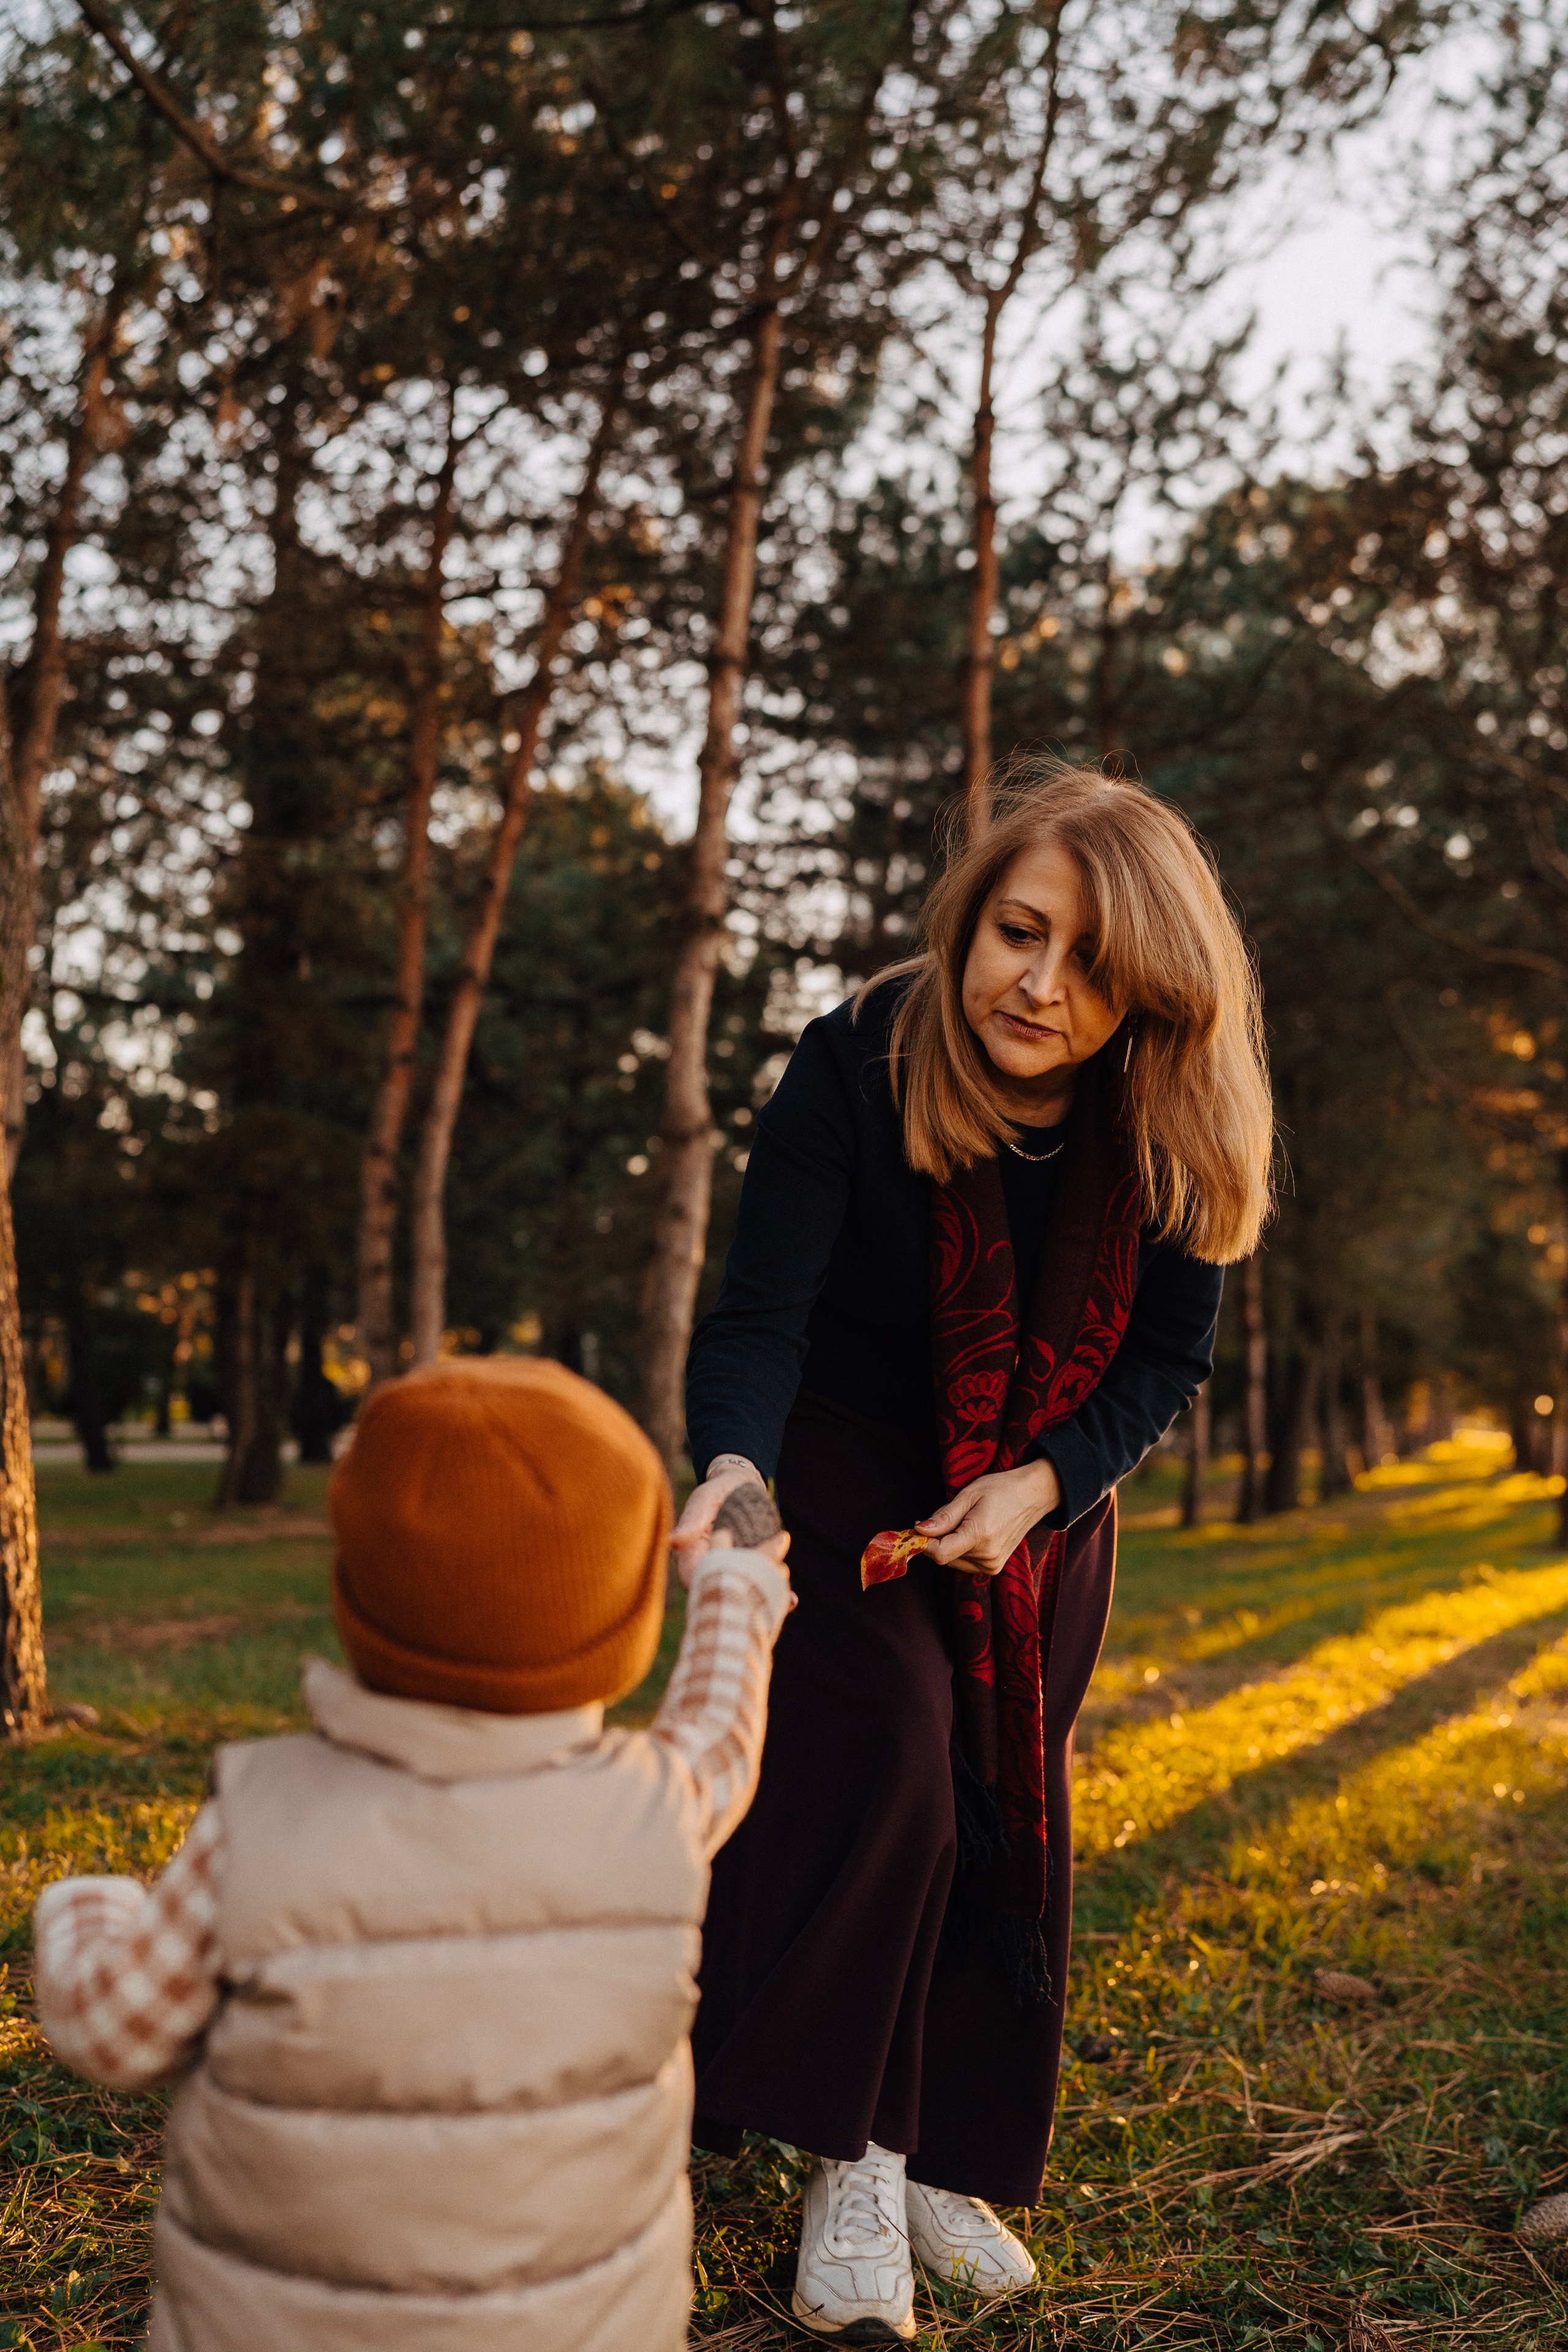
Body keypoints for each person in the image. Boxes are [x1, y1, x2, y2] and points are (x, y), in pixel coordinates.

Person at [675, 760, 1274, 2343]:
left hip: (1037, 1493)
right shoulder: (857, 1063)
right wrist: (732, 1469)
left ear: (1145, 994)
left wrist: (1042, 1485)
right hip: (849, 1460)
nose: (1038, 983)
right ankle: (847, 2152)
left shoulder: (1166, 1121)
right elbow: (757, 1323)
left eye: (1088, 966)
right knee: (894, 1768)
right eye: (1020, 930)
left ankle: (930, 2141)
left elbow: (1164, 1360)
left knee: (1001, 1809)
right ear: (973, 913)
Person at [32, 1355, 791, 2352]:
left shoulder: (262, 1828)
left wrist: (87, 1906)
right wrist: (735, 1579)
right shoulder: (654, 1810)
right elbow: (720, 1731)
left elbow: (115, 2029)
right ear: (619, 1626)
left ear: (360, 1600)